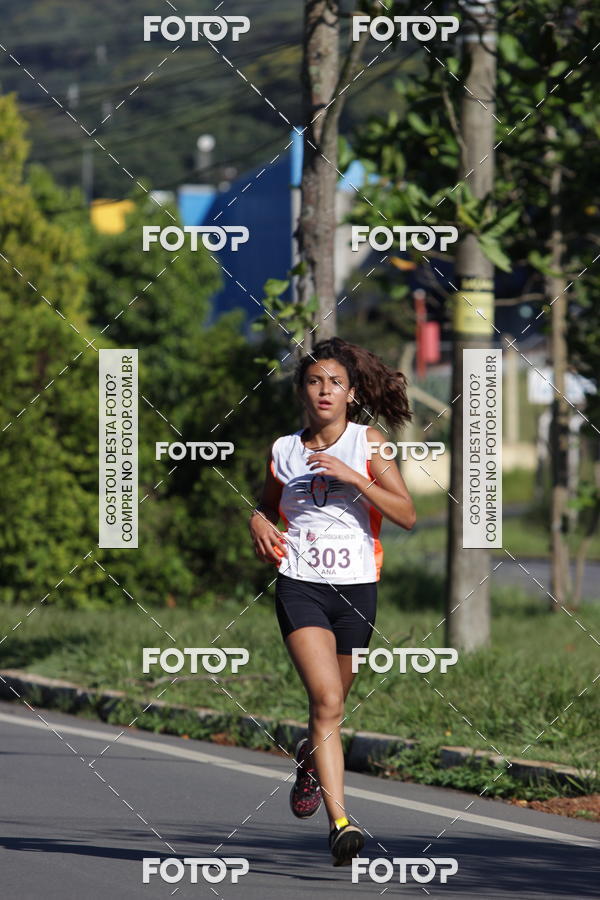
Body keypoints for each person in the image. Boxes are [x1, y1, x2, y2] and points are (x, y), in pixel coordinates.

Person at [248, 336, 416, 866]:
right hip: (300, 585)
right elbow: (268, 505)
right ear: (302, 390)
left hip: (359, 591)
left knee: (334, 708)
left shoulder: (371, 445)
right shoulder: (284, 450)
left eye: (335, 383)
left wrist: (354, 478)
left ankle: (308, 759)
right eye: (315, 381)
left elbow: (408, 515)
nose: (324, 391)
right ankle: (341, 824)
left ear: (351, 393)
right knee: (326, 701)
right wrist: (257, 520)